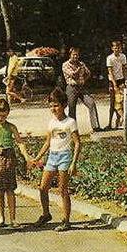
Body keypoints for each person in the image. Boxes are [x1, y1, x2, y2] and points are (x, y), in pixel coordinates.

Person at [29, 89, 82, 232]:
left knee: (62, 190)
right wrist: (37, 158)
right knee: (43, 187)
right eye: (51, 105)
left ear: (64, 105)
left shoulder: (70, 122)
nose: (53, 109)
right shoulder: (52, 122)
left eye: (56, 105)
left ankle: (66, 220)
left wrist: (73, 163)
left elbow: (77, 143)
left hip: (65, 156)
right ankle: (46, 214)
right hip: (52, 156)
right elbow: (47, 142)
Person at [0, 97, 32, 229]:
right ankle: (1, 216)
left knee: (10, 189)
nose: (0, 118)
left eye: (3, 116)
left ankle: (13, 218)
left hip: (8, 158)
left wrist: (26, 156)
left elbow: (19, 142)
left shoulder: (11, 127)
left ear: (8, 113)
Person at [62, 47, 101, 132]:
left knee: (91, 103)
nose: (75, 56)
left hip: (81, 87)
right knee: (72, 108)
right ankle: (73, 129)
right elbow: (73, 75)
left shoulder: (81, 63)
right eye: (74, 55)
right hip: (71, 87)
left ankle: (96, 127)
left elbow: (88, 73)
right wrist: (79, 69)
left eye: (77, 55)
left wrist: (84, 79)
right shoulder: (65, 65)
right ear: (70, 55)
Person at [105, 39, 127, 129]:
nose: (117, 49)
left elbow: (124, 69)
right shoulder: (109, 58)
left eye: (118, 48)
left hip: (121, 79)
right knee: (112, 102)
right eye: (115, 48)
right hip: (112, 80)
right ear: (112, 48)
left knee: (121, 101)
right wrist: (114, 84)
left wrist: (126, 80)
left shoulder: (123, 56)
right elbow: (110, 72)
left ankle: (119, 121)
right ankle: (109, 123)